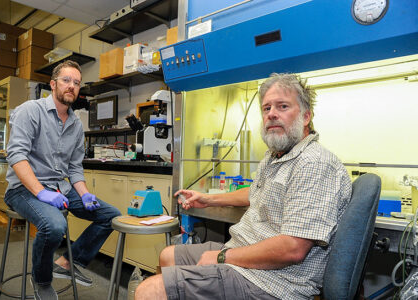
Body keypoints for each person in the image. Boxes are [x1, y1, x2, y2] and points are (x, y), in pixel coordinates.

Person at [134, 73, 352, 300]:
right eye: (266, 108)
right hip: (243, 255)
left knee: (150, 290)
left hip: (273, 282)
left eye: (283, 106)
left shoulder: (314, 163)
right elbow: (256, 191)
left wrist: (222, 258)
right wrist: (208, 199)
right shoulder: (276, 156)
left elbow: (293, 247)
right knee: (169, 256)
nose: (272, 114)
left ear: (306, 116)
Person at [4, 60, 121, 300]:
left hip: (61, 188)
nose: (71, 86)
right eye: (66, 80)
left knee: (111, 216)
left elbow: (75, 167)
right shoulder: (30, 110)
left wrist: (85, 193)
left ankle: (68, 262)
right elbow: (16, 155)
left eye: (76, 83)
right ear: (53, 84)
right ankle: (42, 280)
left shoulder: (76, 125)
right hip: (24, 189)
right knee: (55, 225)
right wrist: (40, 192)